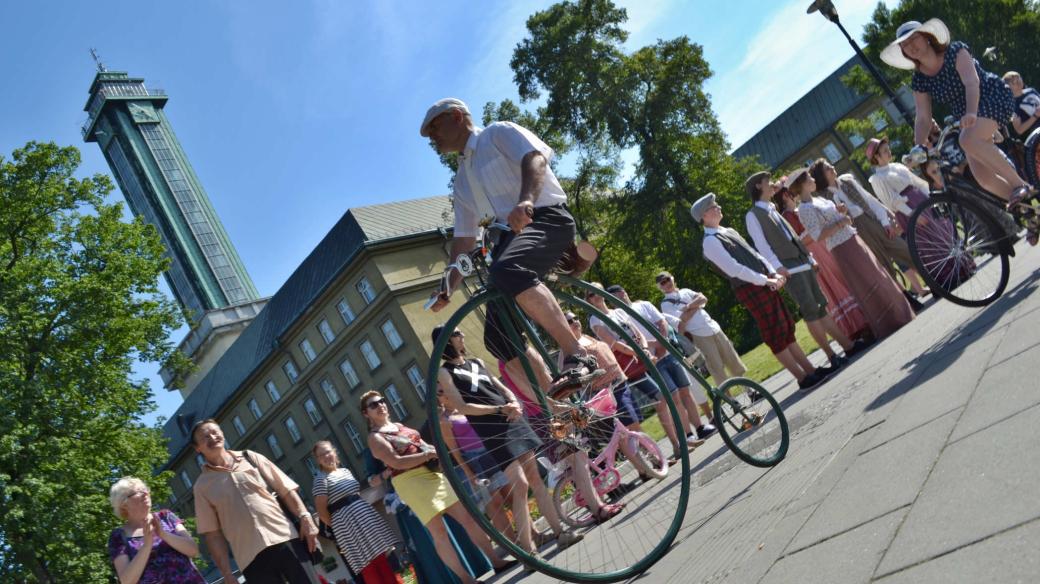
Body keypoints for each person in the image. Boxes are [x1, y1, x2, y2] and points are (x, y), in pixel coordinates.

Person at [422, 98, 599, 392]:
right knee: (496, 335)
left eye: (435, 128)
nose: (433, 138)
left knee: (509, 270)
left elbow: (536, 159)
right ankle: (560, 404)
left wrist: (526, 200)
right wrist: (449, 285)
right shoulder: (462, 180)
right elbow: (464, 239)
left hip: (544, 218)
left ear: (456, 116)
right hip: (509, 241)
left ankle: (578, 356)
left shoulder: (497, 133)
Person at [432, 326, 585, 553]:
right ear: (446, 341)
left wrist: (513, 403)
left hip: (512, 420)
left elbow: (499, 385)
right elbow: (462, 407)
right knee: (520, 485)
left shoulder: (477, 363)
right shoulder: (445, 373)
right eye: (456, 333)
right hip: (491, 429)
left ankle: (561, 533)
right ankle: (528, 550)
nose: (462, 335)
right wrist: (500, 408)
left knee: (535, 478)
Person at [363, 391, 517, 584]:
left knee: (468, 519)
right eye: (374, 405)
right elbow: (396, 462)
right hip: (410, 481)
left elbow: (421, 444)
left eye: (382, 401)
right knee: (439, 532)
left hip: (432, 474)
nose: (380, 405)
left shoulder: (400, 426)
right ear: (366, 414)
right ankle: (466, 579)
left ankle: (495, 560)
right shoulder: (374, 437)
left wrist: (434, 454)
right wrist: (427, 456)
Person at [879, 19, 1033, 209]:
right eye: (904, 45)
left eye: (914, 39)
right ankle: (1030, 213)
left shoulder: (956, 51)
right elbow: (923, 117)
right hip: (966, 117)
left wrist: (970, 113)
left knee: (967, 140)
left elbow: (971, 82)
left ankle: (1020, 185)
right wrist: (918, 148)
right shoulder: (919, 79)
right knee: (982, 176)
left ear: (927, 37)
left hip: (991, 97)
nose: (910, 46)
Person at [692, 193, 829, 392]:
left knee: (786, 328)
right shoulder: (709, 242)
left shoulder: (727, 231)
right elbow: (735, 269)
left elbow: (755, 254)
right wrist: (767, 280)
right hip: (751, 288)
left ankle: (810, 370)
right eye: (713, 207)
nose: (718, 207)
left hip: (764, 282)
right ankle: (802, 378)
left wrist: (772, 272)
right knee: (775, 334)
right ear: (704, 216)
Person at [744, 171, 865, 369]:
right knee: (810, 310)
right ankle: (831, 354)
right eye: (768, 181)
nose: (773, 183)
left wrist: (809, 257)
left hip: (801, 261)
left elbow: (791, 235)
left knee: (820, 304)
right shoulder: (753, 215)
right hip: (788, 267)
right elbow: (761, 245)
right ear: (758, 186)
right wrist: (777, 267)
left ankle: (847, 345)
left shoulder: (771, 208)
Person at [789, 168, 916, 340]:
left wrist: (839, 212)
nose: (813, 179)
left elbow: (829, 219)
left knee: (878, 273)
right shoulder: (804, 208)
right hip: (841, 246)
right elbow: (817, 235)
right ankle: (890, 321)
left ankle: (901, 313)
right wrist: (841, 222)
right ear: (802, 184)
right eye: (809, 178)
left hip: (852, 237)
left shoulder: (817, 199)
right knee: (870, 279)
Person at [191, 419, 318, 584]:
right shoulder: (202, 486)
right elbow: (213, 535)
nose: (213, 437)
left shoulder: (250, 457)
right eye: (205, 437)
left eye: (215, 432)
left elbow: (285, 490)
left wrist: (305, 517)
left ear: (222, 433)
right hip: (250, 559)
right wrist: (228, 574)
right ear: (197, 448)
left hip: (285, 538)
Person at [585, 282, 703, 459]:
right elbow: (613, 343)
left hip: (641, 361)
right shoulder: (595, 319)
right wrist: (640, 353)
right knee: (640, 413)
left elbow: (636, 332)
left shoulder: (619, 312)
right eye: (591, 294)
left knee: (664, 399)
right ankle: (661, 452)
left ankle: (678, 443)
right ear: (588, 300)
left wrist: (645, 349)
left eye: (598, 291)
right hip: (628, 368)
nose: (596, 296)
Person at [808, 159, 931, 301]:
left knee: (905, 250)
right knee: (883, 267)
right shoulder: (824, 199)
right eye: (828, 168)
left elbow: (870, 200)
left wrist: (885, 222)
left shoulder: (847, 180)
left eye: (830, 165)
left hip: (873, 222)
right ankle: (906, 300)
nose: (832, 167)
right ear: (822, 176)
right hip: (857, 232)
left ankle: (934, 281)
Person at [606, 283, 717, 440]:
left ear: (625, 291)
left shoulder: (644, 305)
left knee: (686, 391)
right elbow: (631, 338)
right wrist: (655, 346)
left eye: (621, 292)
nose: (620, 296)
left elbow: (661, 322)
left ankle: (700, 427)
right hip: (652, 361)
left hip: (668, 353)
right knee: (674, 396)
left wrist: (663, 342)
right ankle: (688, 433)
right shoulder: (620, 317)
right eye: (615, 296)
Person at [773, 184, 872, 342]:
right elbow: (798, 242)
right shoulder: (787, 216)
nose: (794, 193)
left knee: (842, 279)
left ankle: (863, 319)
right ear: (785, 196)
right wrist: (818, 232)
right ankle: (856, 326)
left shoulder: (798, 210)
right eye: (790, 191)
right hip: (816, 252)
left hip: (824, 245)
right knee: (835, 284)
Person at [312, 441, 401, 584]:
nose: (326, 456)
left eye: (328, 451)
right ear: (318, 460)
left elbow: (355, 493)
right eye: (321, 455)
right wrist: (339, 527)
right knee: (367, 565)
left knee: (381, 558)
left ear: (334, 452)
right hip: (348, 528)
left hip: (365, 518)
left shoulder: (345, 471)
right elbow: (322, 512)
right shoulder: (320, 480)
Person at [656, 271, 748, 389]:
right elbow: (682, 320)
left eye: (668, 279)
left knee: (732, 359)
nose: (667, 283)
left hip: (713, 327)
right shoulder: (665, 304)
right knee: (716, 367)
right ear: (660, 288)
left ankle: (750, 390)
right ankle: (731, 400)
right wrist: (697, 304)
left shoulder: (686, 291)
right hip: (698, 334)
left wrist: (688, 306)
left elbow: (703, 298)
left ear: (672, 279)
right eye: (663, 283)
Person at [108, 477, 204, 584]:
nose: (145, 493)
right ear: (124, 504)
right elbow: (127, 581)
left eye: (145, 489)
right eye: (136, 492)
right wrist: (146, 546)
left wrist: (163, 534)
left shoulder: (166, 516)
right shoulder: (118, 537)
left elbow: (193, 550)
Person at [1003, 71, 1040, 139]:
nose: (1018, 81)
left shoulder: (1031, 90)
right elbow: (1019, 130)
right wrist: (1035, 116)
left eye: (1018, 78)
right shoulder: (1013, 106)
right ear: (1008, 87)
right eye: (1014, 81)